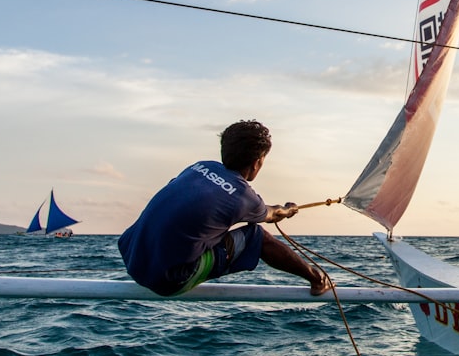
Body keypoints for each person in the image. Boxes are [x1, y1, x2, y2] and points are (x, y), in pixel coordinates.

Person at [118, 119, 333, 297]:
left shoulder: (198, 167)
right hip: (168, 280)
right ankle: (316, 279)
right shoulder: (243, 196)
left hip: (131, 255)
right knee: (256, 235)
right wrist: (287, 210)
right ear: (258, 162)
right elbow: (272, 214)